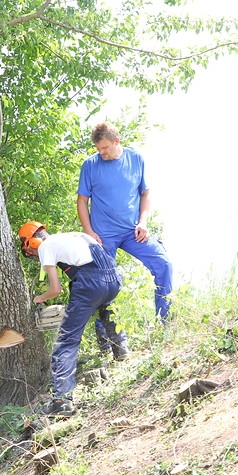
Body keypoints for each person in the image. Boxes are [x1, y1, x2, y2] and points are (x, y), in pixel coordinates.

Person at [18, 221, 122, 417]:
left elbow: (55, 289)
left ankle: (62, 400)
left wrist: (39, 298)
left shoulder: (47, 246)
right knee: (105, 309)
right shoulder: (73, 236)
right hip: (113, 279)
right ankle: (120, 350)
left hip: (91, 284)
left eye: (30, 251)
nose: (33, 254)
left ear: (31, 242)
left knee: (66, 341)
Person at [77, 121, 174, 325]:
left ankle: (165, 323)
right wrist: (89, 232)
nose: (101, 152)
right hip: (103, 237)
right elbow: (82, 201)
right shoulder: (90, 165)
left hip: (132, 232)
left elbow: (145, 194)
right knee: (104, 285)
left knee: (163, 264)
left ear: (116, 141)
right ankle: (108, 341)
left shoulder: (136, 159)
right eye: (98, 148)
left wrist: (143, 223)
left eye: (105, 147)